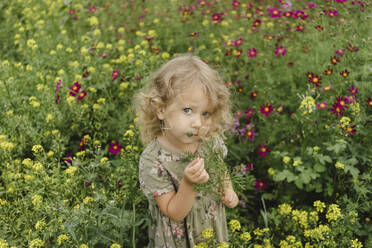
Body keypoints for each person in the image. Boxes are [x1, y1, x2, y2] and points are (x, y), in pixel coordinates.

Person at [134, 55, 239, 247]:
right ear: (160, 109)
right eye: (188, 110)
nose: (198, 123)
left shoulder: (207, 141)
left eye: (205, 113)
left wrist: (228, 188)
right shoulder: (153, 159)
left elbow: (219, 167)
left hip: (210, 231)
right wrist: (189, 183)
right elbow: (174, 212)